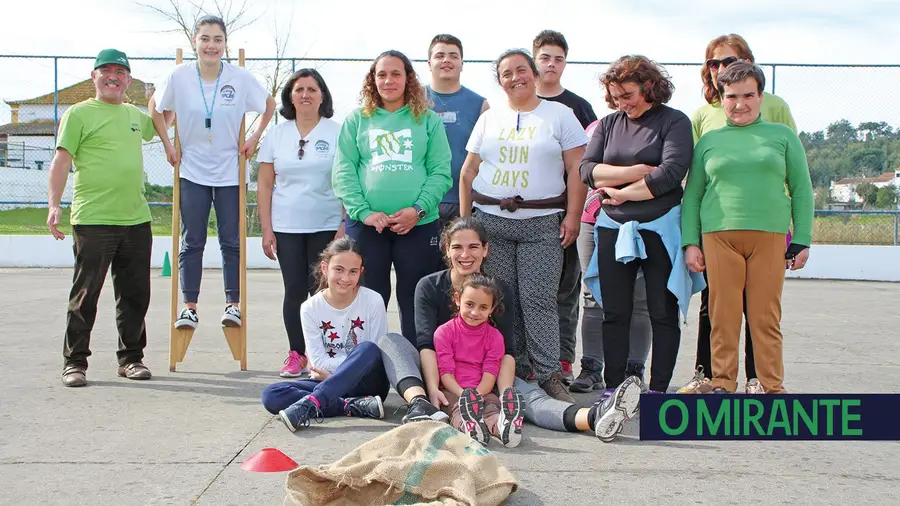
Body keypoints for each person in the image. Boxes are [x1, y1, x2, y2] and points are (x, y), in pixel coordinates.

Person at [374, 217, 642, 442]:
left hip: (488, 373)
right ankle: (421, 405)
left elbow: (506, 350)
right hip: (440, 374)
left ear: (486, 250)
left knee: (529, 397)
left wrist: (503, 392)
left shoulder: (499, 289)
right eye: (457, 247)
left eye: (473, 247)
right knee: (390, 341)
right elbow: (426, 345)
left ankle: (594, 418)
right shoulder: (429, 286)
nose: (465, 255)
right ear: (446, 249)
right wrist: (433, 389)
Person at [459, 49, 587, 402]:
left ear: (534, 73)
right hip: (492, 222)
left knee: (540, 300)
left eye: (521, 70)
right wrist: (467, 222)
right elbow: (468, 172)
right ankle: (514, 371)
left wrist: (573, 216)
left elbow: (578, 169)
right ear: (499, 81)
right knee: (503, 301)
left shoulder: (560, 115)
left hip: (541, 223)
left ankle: (549, 374)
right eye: (506, 73)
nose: (515, 77)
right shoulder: (489, 118)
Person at [682, 62, 813, 394]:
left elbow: (801, 189)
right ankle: (722, 383)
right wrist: (690, 242)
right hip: (718, 237)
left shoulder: (782, 137)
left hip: (768, 237)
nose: (739, 104)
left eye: (748, 96)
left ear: (760, 96)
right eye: (731, 96)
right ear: (721, 98)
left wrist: (802, 239)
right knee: (723, 317)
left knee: (765, 318)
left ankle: (771, 387)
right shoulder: (709, 141)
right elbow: (693, 195)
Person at [580, 55, 703, 398]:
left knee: (661, 312)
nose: (623, 104)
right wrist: (634, 173)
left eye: (629, 95)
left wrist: (621, 194)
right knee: (615, 311)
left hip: (659, 227)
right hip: (612, 229)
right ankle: (613, 388)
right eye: (617, 97)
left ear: (650, 87)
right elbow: (587, 170)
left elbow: (671, 173)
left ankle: (659, 390)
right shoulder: (607, 124)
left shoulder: (674, 122)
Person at [149, 15, 277, 330]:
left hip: (230, 170)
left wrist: (253, 138)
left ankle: (232, 304)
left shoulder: (239, 77)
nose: (211, 45)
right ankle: (189, 306)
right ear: (195, 42)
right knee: (192, 239)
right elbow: (155, 107)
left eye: (217, 39)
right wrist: (168, 144)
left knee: (231, 240)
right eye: (205, 38)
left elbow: (269, 105)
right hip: (192, 169)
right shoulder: (179, 76)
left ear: (225, 44)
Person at [49, 49, 166, 387]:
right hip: (94, 219)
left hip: (135, 219)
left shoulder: (133, 114)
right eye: (106, 71)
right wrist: (54, 204)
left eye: (120, 72)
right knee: (86, 293)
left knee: (134, 294)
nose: (113, 76)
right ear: (94, 77)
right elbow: (61, 161)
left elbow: (161, 122)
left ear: (128, 79)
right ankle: (75, 363)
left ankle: (131, 359)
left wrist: (169, 90)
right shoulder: (79, 113)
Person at [332, 50, 452, 345]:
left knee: (416, 298)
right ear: (372, 80)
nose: (388, 80)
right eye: (381, 74)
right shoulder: (357, 120)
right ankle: (363, 363)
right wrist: (363, 212)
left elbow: (440, 171)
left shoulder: (426, 120)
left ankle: (419, 365)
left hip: (418, 225)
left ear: (409, 78)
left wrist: (418, 209)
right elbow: (343, 171)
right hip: (369, 226)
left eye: (396, 74)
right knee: (367, 298)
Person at [257, 69, 344, 378]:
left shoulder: (338, 132)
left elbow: (346, 180)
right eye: (299, 89)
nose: (305, 94)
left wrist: (344, 223)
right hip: (286, 226)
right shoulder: (277, 134)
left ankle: (324, 354)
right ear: (290, 97)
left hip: (327, 223)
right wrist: (266, 228)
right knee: (294, 289)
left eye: (312, 89)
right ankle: (297, 354)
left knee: (322, 291)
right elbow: (265, 184)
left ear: (323, 96)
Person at [260, 238, 390, 431]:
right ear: (324, 268)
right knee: (271, 395)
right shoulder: (309, 308)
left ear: (360, 272)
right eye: (339, 269)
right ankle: (350, 406)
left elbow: (375, 354)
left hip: (367, 384)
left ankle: (313, 402)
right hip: (331, 382)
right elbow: (317, 362)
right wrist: (341, 375)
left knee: (367, 348)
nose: (345, 278)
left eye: (353, 271)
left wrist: (334, 376)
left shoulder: (373, 300)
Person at [532, 29, 599, 385]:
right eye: (545, 57)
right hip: (528, 213)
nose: (552, 64)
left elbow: (588, 163)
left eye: (558, 58)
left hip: (566, 211)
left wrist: (578, 211)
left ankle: (563, 359)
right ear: (534, 60)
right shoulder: (518, 103)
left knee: (565, 290)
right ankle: (527, 360)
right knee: (528, 291)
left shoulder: (579, 106)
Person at [571, 121, 652, 394]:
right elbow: (587, 174)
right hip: (592, 219)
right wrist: (631, 173)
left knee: (640, 299)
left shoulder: (654, 130)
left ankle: (634, 370)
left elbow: (657, 175)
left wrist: (608, 174)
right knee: (592, 295)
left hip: (642, 221)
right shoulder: (596, 128)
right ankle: (591, 367)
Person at [435, 274, 521, 447]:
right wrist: (465, 396)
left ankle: (503, 428)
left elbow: (490, 374)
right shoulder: (444, 332)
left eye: (483, 307)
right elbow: (446, 373)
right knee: (457, 409)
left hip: (483, 391)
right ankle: (470, 427)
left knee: (491, 408)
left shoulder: (495, 337)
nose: (475, 312)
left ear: (492, 308)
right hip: (453, 391)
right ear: (457, 299)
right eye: (469, 304)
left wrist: (478, 394)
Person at [425, 34, 490, 228]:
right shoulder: (412, 102)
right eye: (440, 55)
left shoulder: (480, 105)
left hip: (465, 202)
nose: (446, 60)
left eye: (453, 55)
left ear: (462, 63)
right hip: (422, 202)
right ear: (429, 63)